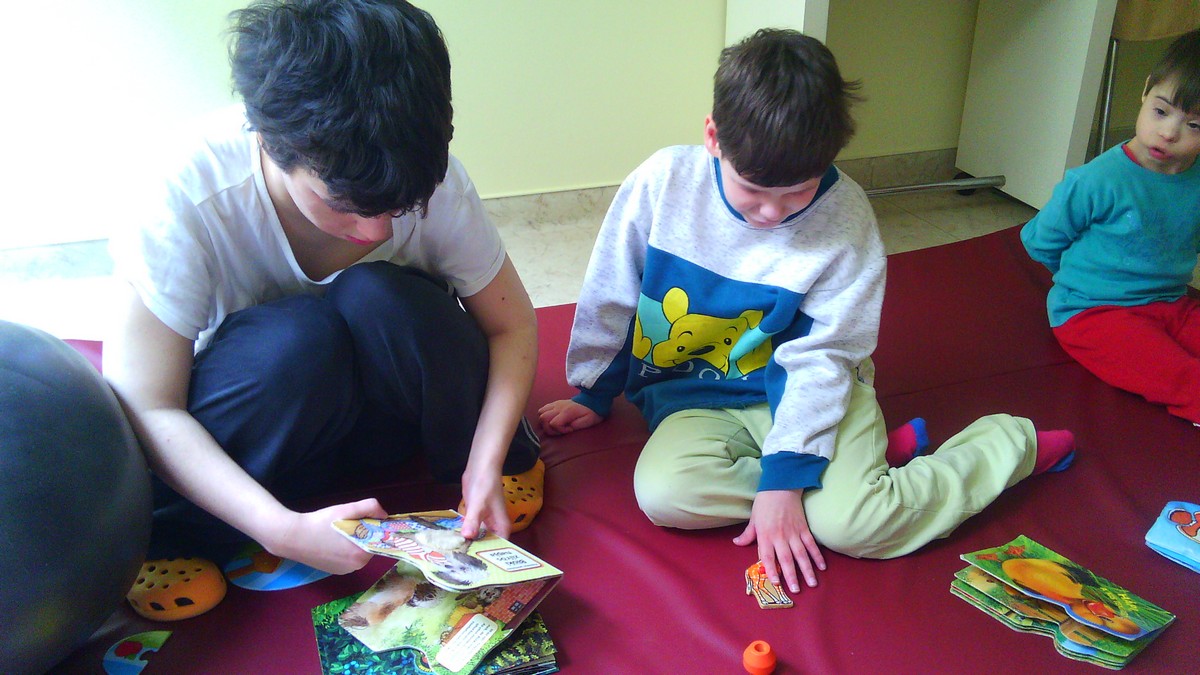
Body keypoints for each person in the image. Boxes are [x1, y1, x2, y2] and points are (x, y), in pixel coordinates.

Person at [538, 28, 1076, 594]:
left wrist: (784, 476)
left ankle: (1009, 446)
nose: (772, 213)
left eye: (797, 192)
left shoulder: (846, 217)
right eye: (752, 190)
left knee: (856, 526)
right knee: (667, 496)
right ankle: (843, 477)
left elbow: (827, 354)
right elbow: (612, 290)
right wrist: (594, 390)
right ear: (713, 137)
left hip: (810, 391)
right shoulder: (663, 182)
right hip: (696, 398)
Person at [104, 0, 544, 587]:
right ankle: (191, 535)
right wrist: (278, 529)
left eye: (400, 206)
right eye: (343, 205)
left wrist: (486, 459)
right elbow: (147, 404)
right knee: (296, 341)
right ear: (269, 141)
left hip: (390, 422)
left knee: (380, 295)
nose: (377, 231)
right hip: (276, 433)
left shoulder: (428, 174)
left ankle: (505, 460)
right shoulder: (187, 195)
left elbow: (511, 324)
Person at [1022, 29, 1200, 426]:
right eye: (1161, 112)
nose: (1169, 133)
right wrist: (1083, 280)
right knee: (1178, 375)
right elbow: (1038, 240)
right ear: (1146, 92)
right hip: (1094, 312)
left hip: (1172, 303)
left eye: (1193, 125)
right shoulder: (1095, 181)